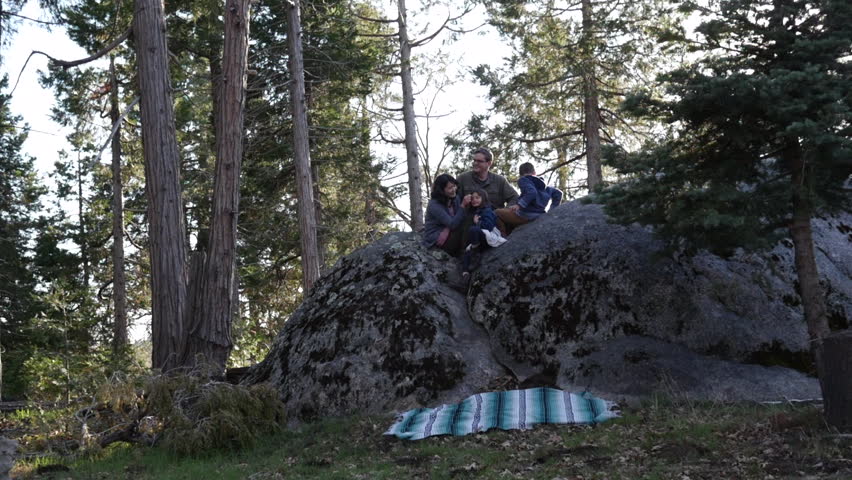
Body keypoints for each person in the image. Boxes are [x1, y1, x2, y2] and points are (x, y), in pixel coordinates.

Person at [495, 162, 563, 235]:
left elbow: (532, 192)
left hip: (526, 215)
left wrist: (519, 205)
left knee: (497, 213)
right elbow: (559, 193)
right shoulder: (545, 185)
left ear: (520, 175)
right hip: (540, 214)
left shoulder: (523, 180)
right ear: (534, 172)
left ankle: (502, 236)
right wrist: (551, 211)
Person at [460, 188, 506, 278]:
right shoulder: (475, 211)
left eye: (477, 198)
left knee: (473, 230)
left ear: (483, 198)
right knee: (467, 251)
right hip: (480, 240)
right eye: (472, 198)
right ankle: (465, 273)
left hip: (489, 236)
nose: (474, 200)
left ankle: (475, 252)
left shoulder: (487, 210)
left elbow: (488, 226)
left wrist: (477, 222)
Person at [422, 173, 470, 256]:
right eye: (450, 188)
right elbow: (452, 224)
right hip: (439, 239)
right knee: (465, 228)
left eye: (454, 186)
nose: (454, 189)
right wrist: (463, 206)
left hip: (451, 232)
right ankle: (466, 255)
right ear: (441, 190)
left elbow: (461, 217)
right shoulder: (434, 205)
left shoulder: (454, 198)